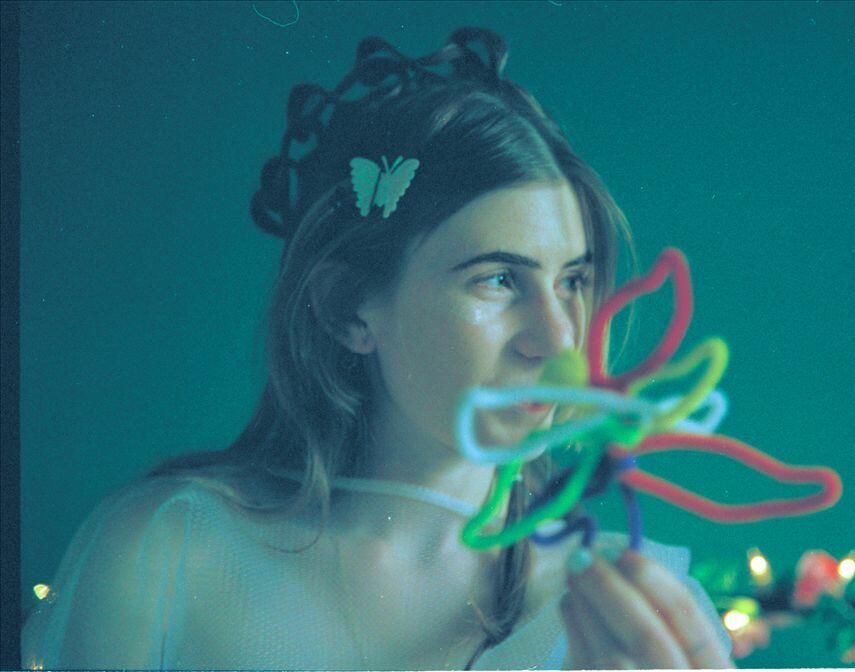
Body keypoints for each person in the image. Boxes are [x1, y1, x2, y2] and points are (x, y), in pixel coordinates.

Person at [21, 27, 734, 670]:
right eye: (497, 279)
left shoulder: (637, 625)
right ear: (346, 308)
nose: (560, 339)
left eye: (572, 281)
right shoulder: (164, 555)